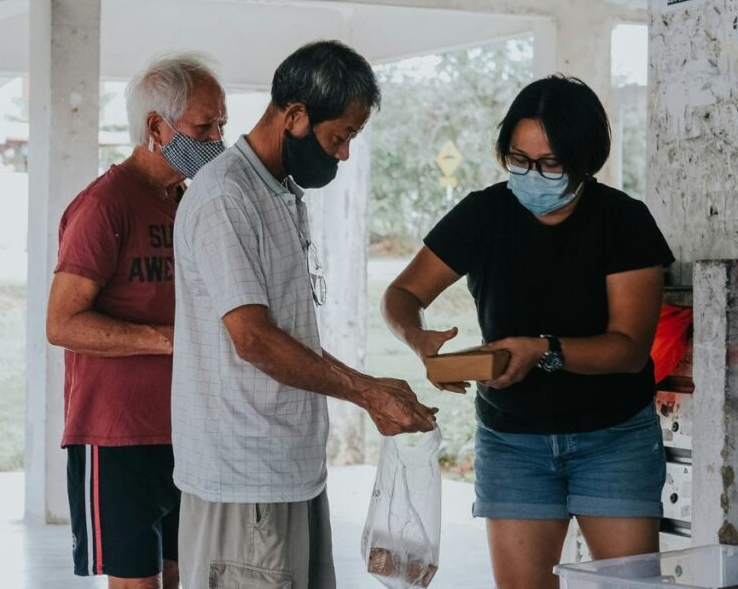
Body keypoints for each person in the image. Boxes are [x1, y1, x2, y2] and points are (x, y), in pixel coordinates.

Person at [382, 75, 674, 589]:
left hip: (613, 438)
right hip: (514, 440)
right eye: (519, 159)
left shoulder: (624, 222)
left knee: (629, 586)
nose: (533, 175)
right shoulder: (484, 213)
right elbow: (401, 295)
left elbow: (628, 350)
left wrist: (543, 351)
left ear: (586, 160)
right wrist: (418, 338)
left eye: (551, 163)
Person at [171, 40, 437, 589]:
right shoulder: (226, 197)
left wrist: (370, 387)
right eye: (338, 136)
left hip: (288, 474)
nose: (342, 154)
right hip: (244, 486)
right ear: (294, 116)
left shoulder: (278, 193)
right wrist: (365, 392)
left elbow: (286, 336)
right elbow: (254, 340)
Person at [46, 54, 228, 589]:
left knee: (182, 575)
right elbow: (63, 323)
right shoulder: (105, 205)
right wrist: (173, 342)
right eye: (204, 126)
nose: (217, 138)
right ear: (156, 127)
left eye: (221, 123)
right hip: (117, 434)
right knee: (135, 582)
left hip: (186, 429)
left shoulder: (189, 203)